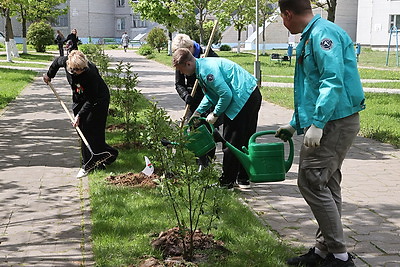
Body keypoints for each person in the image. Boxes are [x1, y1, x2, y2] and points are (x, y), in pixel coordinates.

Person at [274, 0, 366, 266]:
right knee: (327, 182)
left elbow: (332, 80)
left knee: (311, 181)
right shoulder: (315, 33)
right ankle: (324, 251)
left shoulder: (322, 34)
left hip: (334, 120)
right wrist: (295, 123)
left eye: (282, 17)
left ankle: (340, 256)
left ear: (288, 14)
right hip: (333, 119)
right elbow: (311, 87)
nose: (283, 22)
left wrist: (318, 123)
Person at [172, 48, 262, 189]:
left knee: (231, 140)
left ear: (188, 64)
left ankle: (227, 181)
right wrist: (198, 112)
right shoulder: (202, 67)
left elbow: (226, 95)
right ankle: (241, 178)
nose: (182, 73)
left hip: (244, 98)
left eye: (181, 69)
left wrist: (215, 114)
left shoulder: (207, 71)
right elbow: (211, 95)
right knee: (242, 139)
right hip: (250, 94)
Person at [43, 50, 119, 178]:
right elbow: (56, 62)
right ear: (70, 67)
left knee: (90, 128)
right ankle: (108, 154)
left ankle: (88, 164)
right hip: (79, 97)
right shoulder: (66, 62)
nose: (80, 72)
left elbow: (92, 98)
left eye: (82, 69)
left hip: (98, 99)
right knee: (81, 129)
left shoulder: (90, 72)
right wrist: (49, 75)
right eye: (77, 70)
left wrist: (79, 115)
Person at [171, 34, 220, 169]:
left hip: (210, 98)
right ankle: (200, 161)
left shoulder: (207, 52)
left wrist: (208, 60)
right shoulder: (180, 58)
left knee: (209, 130)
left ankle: (208, 162)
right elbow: (178, 84)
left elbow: (218, 68)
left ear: (191, 47)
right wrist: (185, 96)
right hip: (193, 99)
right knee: (194, 130)